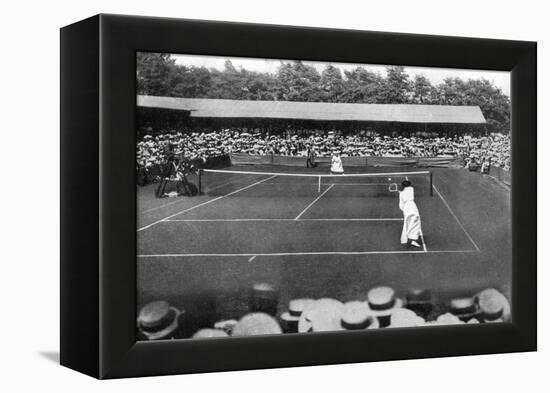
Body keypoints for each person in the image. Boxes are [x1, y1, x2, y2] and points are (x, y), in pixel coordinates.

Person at [398, 180, 423, 248]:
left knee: (408, 223)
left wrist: (400, 192)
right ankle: (412, 239)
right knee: (416, 222)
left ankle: (409, 238)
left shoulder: (401, 192)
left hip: (406, 208)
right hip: (412, 207)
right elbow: (408, 188)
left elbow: (401, 205)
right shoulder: (411, 189)